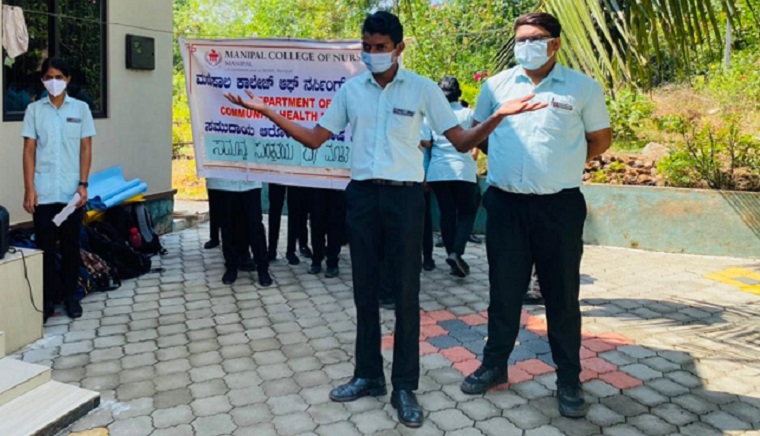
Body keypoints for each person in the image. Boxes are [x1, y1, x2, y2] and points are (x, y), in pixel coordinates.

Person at [225, 11, 544, 428]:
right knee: (365, 291)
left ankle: (405, 386)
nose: (372, 54)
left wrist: (499, 116)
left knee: (406, 295)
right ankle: (368, 376)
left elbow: (462, 141)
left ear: (399, 48)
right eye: (367, 47)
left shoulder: (422, 89)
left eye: (380, 47)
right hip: (362, 197)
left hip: (405, 199)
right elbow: (315, 139)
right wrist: (266, 110)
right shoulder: (351, 90)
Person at [458, 12, 612, 419]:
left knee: (562, 296)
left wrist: (561, 164)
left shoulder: (582, 88)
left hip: (558, 207)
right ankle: (494, 365)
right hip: (506, 205)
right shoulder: (495, 86)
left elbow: (600, 140)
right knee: (503, 292)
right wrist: (510, 162)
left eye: (536, 38)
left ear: (555, 43)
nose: (526, 45)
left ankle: (568, 378)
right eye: (521, 39)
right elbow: (481, 134)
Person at [21, 57, 95, 322]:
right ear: (43, 80)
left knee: (72, 244)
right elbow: (29, 151)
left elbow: (85, 148)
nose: (54, 82)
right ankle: (48, 299)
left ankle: (71, 297)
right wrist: (29, 188)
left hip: (71, 193)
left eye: (59, 77)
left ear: (68, 79)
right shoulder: (34, 110)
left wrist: (83, 184)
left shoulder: (81, 109)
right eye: (49, 77)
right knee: (45, 247)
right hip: (43, 192)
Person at [426, 76, 481, 277]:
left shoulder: (431, 115)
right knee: (467, 212)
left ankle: (452, 256)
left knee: (447, 213)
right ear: (459, 94)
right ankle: (456, 253)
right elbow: (477, 138)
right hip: (462, 170)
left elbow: (426, 142)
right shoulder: (468, 114)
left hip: (438, 171)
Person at [207, 177, 273, 287]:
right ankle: (231, 266)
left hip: (250, 184)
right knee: (227, 225)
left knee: (255, 227)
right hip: (224, 185)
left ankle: (263, 269)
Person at [267, 184, 312, 264]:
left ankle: (291, 250)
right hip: (276, 178)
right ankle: (271, 249)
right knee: (275, 210)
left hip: (295, 178)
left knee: (295, 211)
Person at [308, 187, 346, 277]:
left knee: (335, 228)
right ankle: (316, 260)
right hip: (317, 189)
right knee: (316, 226)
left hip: (337, 191)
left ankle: (332, 263)